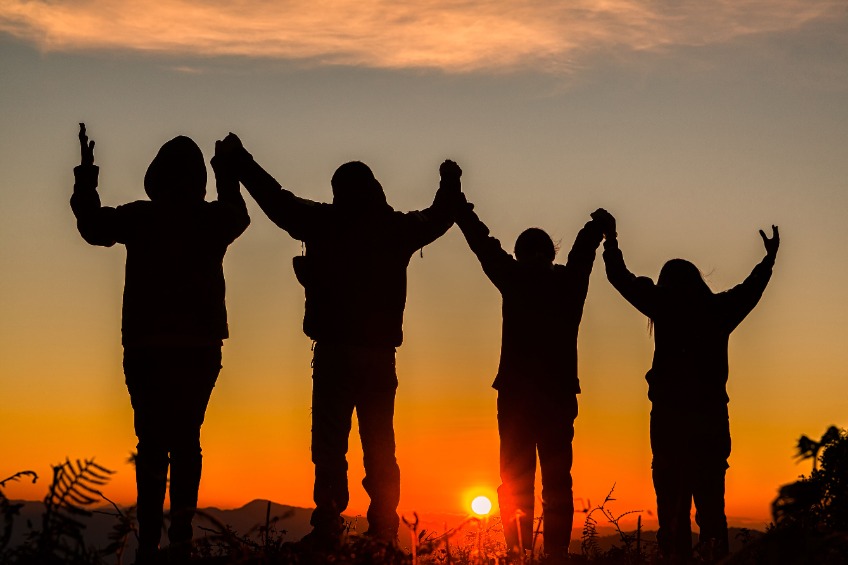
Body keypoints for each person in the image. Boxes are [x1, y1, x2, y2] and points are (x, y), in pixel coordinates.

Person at [213, 133, 460, 548]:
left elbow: (277, 200)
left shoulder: (322, 222)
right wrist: (450, 182)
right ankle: (382, 532)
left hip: (333, 354)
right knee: (380, 447)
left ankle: (328, 529)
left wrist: (241, 162)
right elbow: (440, 215)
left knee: (330, 448)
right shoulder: (396, 228)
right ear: (376, 190)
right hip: (378, 357)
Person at [70, 124, 250, 564]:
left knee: (152, 442)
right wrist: (225, 168)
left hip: (147, 346)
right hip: (198, 346)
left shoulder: (141, 216)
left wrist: (86, 177)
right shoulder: (210, 220)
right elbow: (238, 213)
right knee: (186, 441)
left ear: (155, 176)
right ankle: (181, 540)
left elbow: (93, 227)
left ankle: (149, 544)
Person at [600, 214, 779, 563]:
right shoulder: (718, 309)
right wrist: (769, 260)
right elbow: (751, 289)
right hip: (711, 419)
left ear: (666, 283)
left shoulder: (663, 305)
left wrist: (611, 240)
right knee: (711, 508)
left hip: (668, 419)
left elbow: (619, 278)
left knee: (671, 508)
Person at [451, 187, 608, 561]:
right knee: (557, 482)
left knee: (516, 480)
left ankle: (517, 552)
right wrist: (596, 226)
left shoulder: (515, 277)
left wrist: (459, 205)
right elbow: (583, 254)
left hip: (517, 397)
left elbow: (482, 244)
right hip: (557, 396)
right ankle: (555, 553)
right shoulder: (568, 283)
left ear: (519, 255)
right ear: (550, 254)